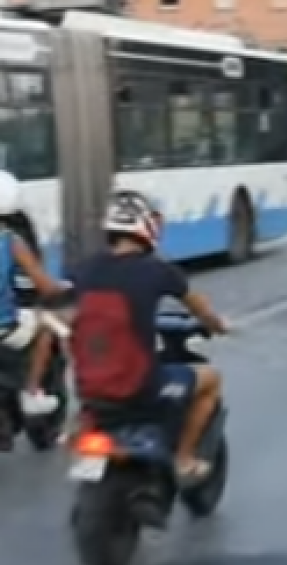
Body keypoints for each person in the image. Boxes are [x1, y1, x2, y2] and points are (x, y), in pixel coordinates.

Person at [68, 191, 230, 483]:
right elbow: (201, 309)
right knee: (211, 379)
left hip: (88, 388)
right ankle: (184, 458)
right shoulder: (159, 270)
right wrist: (219, 325)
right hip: (140, 388)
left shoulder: (85, 269)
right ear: (146, 226)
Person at [0, 169, 68, 417]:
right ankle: (30, 392)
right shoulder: (13, 240)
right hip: (2, 324)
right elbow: (42, 283)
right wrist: (59, 290)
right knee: (48, 326)